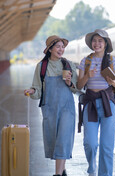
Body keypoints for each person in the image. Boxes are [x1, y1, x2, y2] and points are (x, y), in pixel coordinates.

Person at [24, 35, 77, 176]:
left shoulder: (69, 65)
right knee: (54, 140)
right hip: (50, 109)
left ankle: (57, 174)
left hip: (67, 108)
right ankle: (63, 170)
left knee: (63, 139)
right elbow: (37, 88)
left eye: (63, 47)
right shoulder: (41, 67)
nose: (61, 49)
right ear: (50, 49)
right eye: (58, 46)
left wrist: (69, 83)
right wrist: (32, 91)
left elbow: (76, 88)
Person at [77, 29, 115, 176]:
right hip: (90, 105)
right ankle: (92, 166)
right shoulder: (86, 61)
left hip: (108, 104)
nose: (97, 44)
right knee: (90, 143)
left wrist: (112, 82)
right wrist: (87, 76)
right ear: (91, 43)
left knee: (106, 146)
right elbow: (79, 86)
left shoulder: (112, 60)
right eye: (94, 41)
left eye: (100, 41)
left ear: (105, 43)